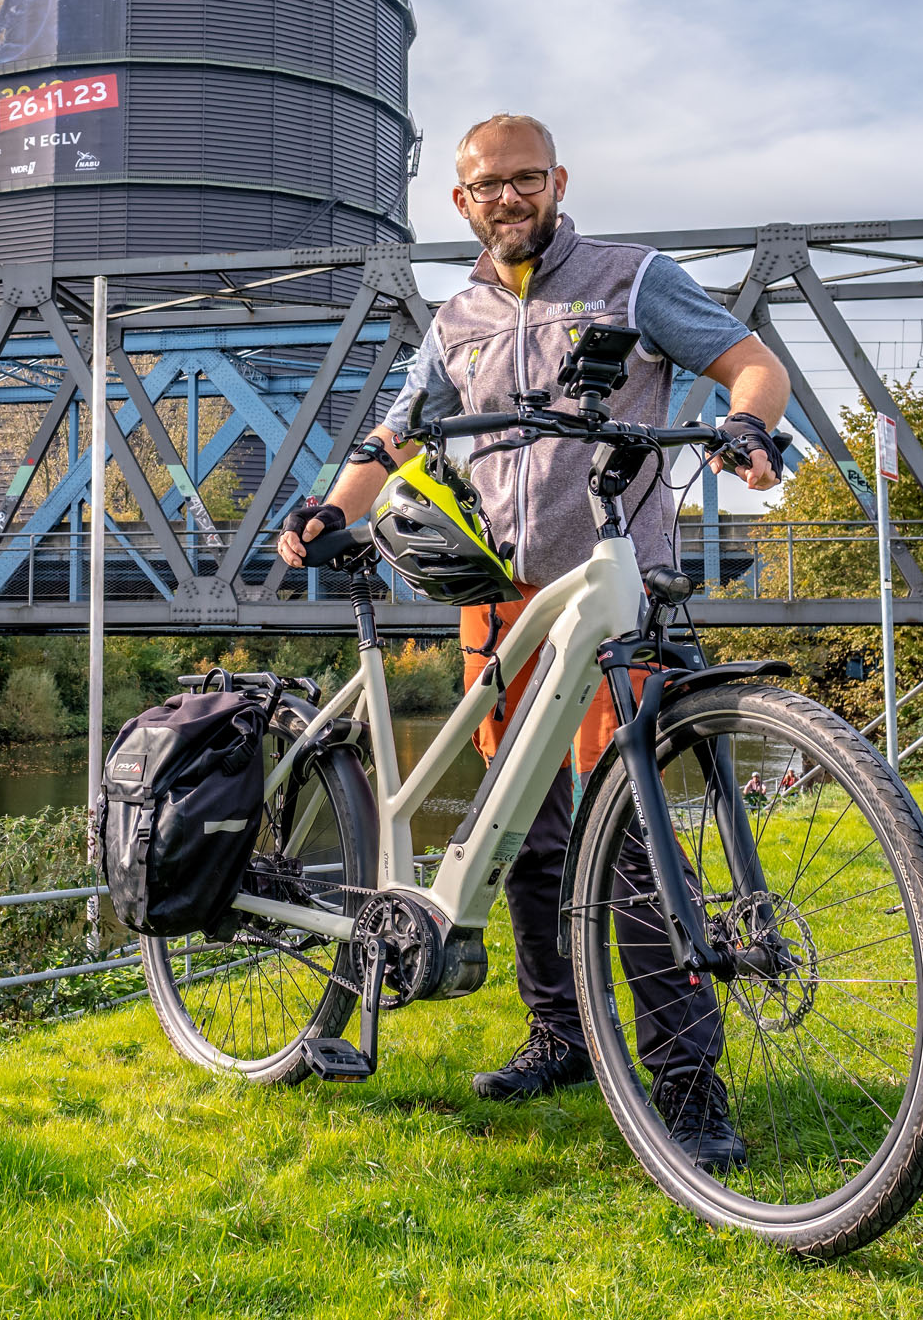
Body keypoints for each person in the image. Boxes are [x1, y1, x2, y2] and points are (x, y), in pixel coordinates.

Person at [278, 112, 789, 1172]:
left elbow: (749, 364)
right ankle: (557, 1030)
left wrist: (746, 424)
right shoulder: (454, 314)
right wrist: (335, 505)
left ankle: (686, 1083)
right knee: (527, 834)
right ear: (459, 200)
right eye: (484, 186)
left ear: (556, 180)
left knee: (636, 839)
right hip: (496, 592)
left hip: (613, 590)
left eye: (523, 179)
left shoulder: (630, 277)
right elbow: (397, 428)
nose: (506, 198)